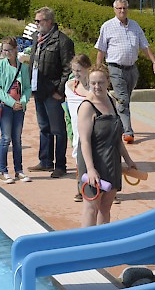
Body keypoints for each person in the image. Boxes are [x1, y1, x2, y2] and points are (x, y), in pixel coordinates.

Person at [78, 65, 138, 227]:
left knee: (105, 207)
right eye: (93, 83)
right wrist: (90, 169)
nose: (97, 87)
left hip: (111, 160)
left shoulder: (111, 100)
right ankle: (85, 246)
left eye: (100, 82)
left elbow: (116, 138)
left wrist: (128, 160)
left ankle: (102, 245)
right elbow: (84, 141)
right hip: (93, 159)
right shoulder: (86, 106)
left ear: (108, 82)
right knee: (91, 207)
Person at [95, 0, 155, 144]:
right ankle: (128, 131)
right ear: (114, 10)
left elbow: (144, 45)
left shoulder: (135, 26)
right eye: (119, 9)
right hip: (115, 68)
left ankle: (117, 124)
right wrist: (98, 69)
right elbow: (101, 49)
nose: (122, 11)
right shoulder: (107, 26)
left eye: (124, 8)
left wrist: (154, 61)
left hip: (132, 69)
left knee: (125, 100)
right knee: (123, 99)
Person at [27, 7, 75, 178]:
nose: (36, 24)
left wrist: (59, 91)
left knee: (58, 130)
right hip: (39, 90)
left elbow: (68, 69)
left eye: (38, 21)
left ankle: (60, 165)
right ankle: (46, 161)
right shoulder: (37, 38)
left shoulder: (62, 41)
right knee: (44, 127)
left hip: (52, 93)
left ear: (48, 22)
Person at [0, 36, 33, 184]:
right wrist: (11, 102)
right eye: (4, 50)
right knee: (5, 138)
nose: (6, 53)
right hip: (5, 107)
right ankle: (3, 171)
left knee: (17, 139)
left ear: (15, 50)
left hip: (19, 108)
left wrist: (22, 101)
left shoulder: (23, 68)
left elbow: (27, 88)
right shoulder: (0, 66)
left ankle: (19, 170)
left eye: (9, 50)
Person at [65, 54, 92, 201]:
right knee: (78, 157)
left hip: (93, 127)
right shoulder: (69, 86)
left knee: (96, 157)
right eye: (74, 70)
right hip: (77, 128)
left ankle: (106, 190)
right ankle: (81, 188)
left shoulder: (94, 88)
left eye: (79, 70)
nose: (76, 73)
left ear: (87, 68)